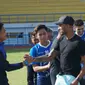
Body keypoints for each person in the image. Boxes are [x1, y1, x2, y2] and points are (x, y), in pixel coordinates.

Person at [24, 16, 85, 85]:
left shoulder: (79, 43)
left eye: (60, 25)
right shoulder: (61, 40)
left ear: (68, 26)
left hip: (73, 79)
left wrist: (77, 80)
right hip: (60, 78)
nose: (58, 28)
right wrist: (33, 59)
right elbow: (50, 56)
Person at [74, 19, 85, 85]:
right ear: (74, 28)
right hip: (76, 64)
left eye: (82, 28)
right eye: (79, 29)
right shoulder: (72, 37)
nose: (81, 31)